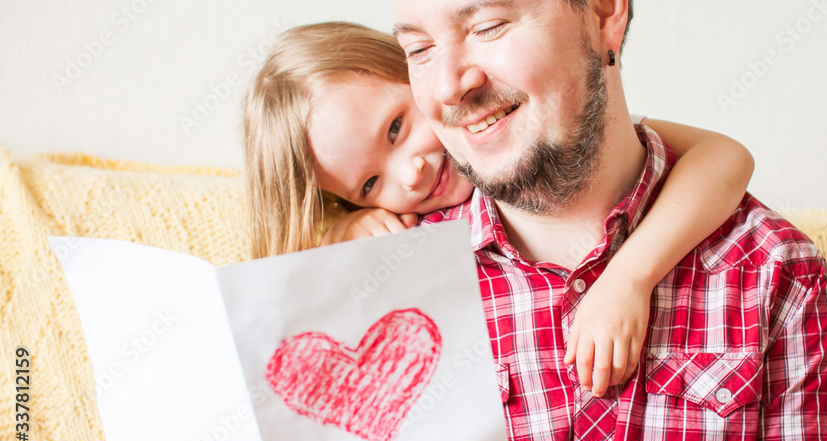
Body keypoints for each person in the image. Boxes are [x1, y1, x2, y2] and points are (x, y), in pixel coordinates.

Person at [129, 0, 827, 441]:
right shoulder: (380, 281)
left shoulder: (772, 276)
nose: (449, 86)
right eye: (418, 48)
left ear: (605, 9)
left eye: (486, 25)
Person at [243, 21, 753, 398]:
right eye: (371, 182)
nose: (409, 174)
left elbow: (726, 156)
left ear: (419, 71)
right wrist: (340, 234)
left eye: (396, 128)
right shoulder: (400, 234)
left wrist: (629, 278)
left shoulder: (553, 138)